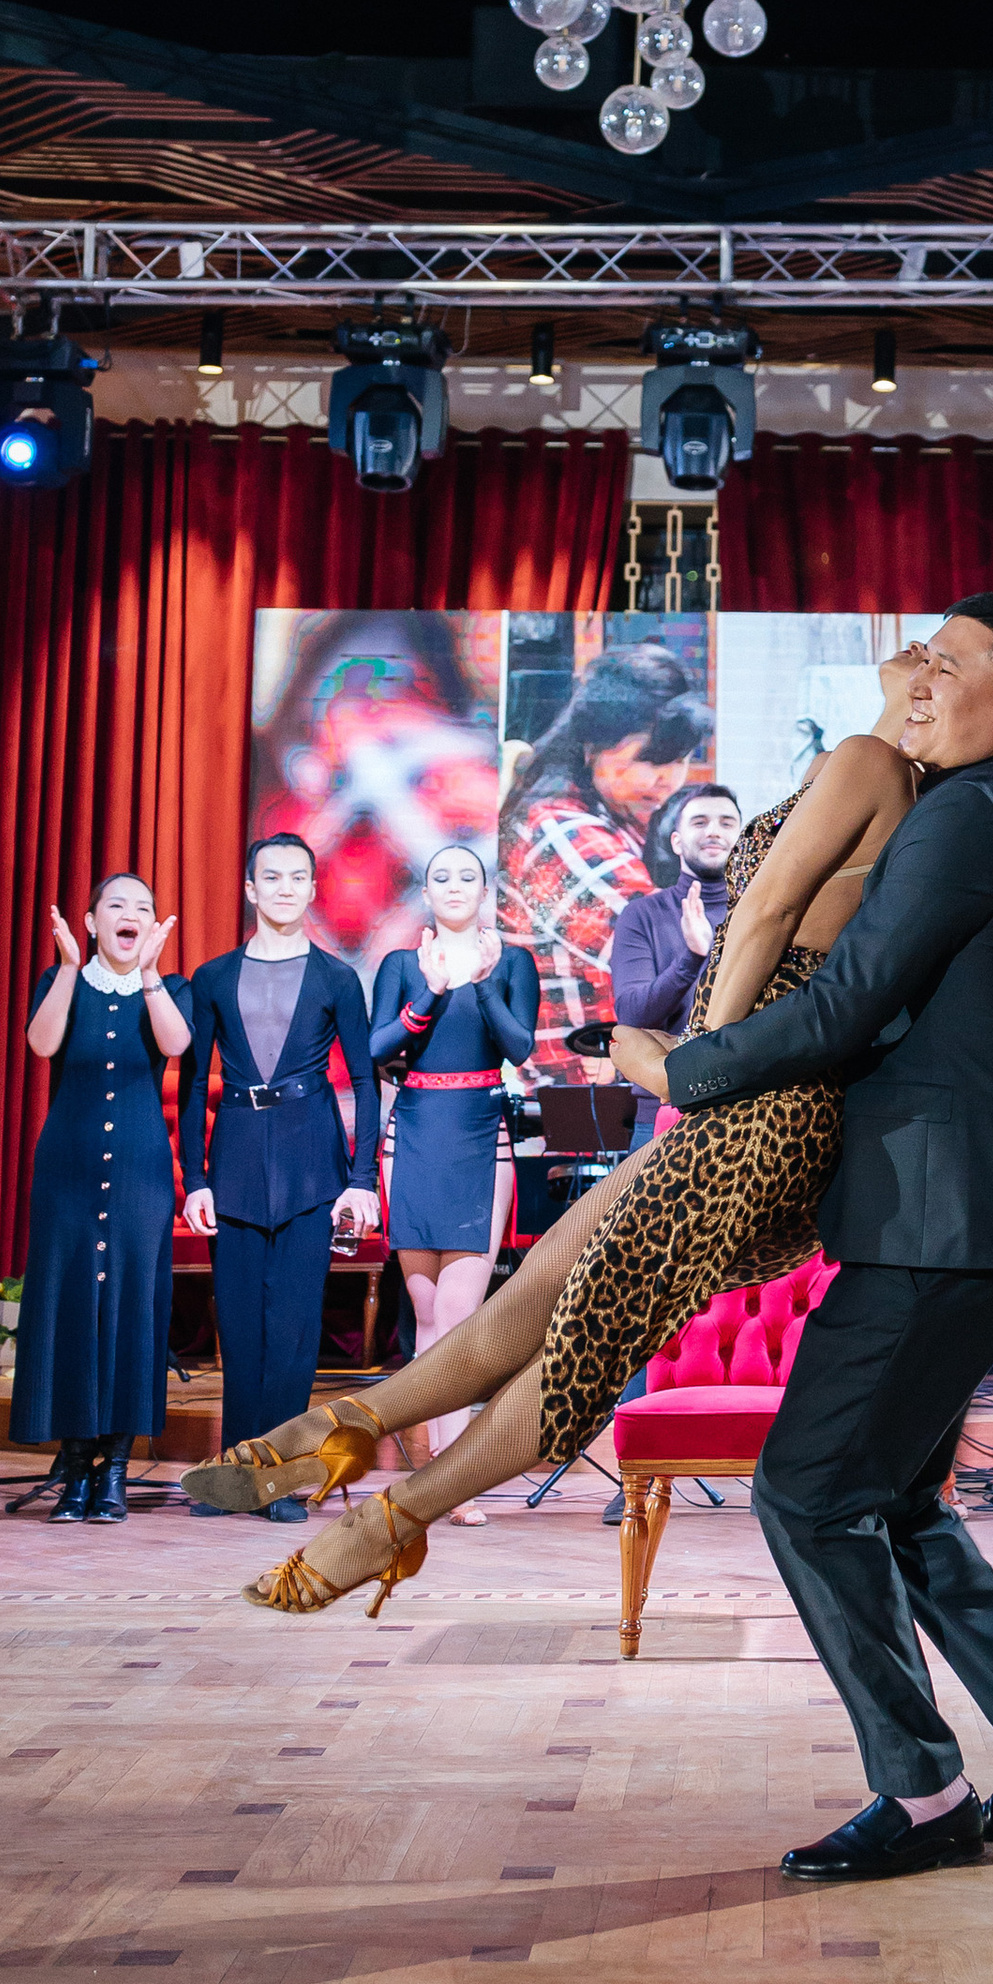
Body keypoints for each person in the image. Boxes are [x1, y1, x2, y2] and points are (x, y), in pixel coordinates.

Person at [182, 642, 930, 1560]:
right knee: (530, 1313)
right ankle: (358, 1459)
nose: (918, 654)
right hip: (718, 1109)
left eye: (938, 660)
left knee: (573, 1334)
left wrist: (686, 1065)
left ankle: (387, 1501)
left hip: (754, 1117)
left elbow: (766, 922)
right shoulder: (848, 784)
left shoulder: (871, 777)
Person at [633, 596, 993, 1888]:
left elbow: (852, 1007)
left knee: (806, 1487)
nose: (920, 675)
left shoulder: (969, 812)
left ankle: (921, 1793)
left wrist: (686, 1071)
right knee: (893, 1495)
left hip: (950, 1211)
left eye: (951, 665)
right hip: (983, 1202)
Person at [178, 833, 380, 1507]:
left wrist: (360, 1179)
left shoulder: (336, 977)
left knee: (293, 1331)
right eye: (273, 875)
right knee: (238, 1330)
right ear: (250, 888)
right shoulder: (211, 978)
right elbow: (189, 1081)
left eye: (299, 876)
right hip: (234, 1157)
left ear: (314, 889)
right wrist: (195, 1178)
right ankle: (235, 1473)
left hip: (310, 1164)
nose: (286, 886)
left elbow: (365, 1080)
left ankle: (284, 1476)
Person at [14, 872, 194, 1525]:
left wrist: (149, 977)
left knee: (130, 1308)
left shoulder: (170, 990)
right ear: (91, 922)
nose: (131, 915)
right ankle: (75, 1468)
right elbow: (42, 1043)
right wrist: (66, 968)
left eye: (143, 908)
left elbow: (176, 1045)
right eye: (117, 905)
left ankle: (114, 1467)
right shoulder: (60, 981)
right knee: (71, 1307)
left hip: (142, 1173)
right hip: (67, 1168)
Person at [369, 844, 539, 1527]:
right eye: (442, 876)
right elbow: (378, 1046)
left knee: (462, 1316)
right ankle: (430, 1478)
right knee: (428, 1316)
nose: (455, 886)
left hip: (478, 1136)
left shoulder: (514, 961)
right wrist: (432, 991)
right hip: (410, 1136)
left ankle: (449, 1480)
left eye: (468, 876)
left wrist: (481, 983)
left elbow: (519, 1045)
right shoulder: (401, 964)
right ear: (427, 890)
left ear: (485, 889)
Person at [497, 643, 715, 1080]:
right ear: (592, 746)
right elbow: (678, 955)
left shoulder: (614, 814)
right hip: (574, 1105)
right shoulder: (563, 833)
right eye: (649, 760)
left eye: (680, 760)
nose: (668, 780)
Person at [612, 782, 743, 1034]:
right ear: (676, 842)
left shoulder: (761, 912)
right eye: (699, 822)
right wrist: (691, 957)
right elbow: (631, 1018)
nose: (714, 831)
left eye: (726, 823)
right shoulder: (641, 915)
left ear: (742, 840)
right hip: (667, 1069)